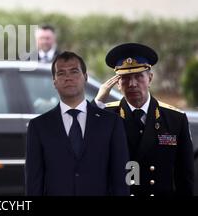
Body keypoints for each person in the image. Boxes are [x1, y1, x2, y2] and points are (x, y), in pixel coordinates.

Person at [95, 42, 194, 196]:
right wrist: (97, 102)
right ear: (118, 84)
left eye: (139, 76)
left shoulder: (175, 119)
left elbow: (185, 176)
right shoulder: (106, 116)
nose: (132, 84)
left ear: (150, 78)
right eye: (125, 78)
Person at [25, 51, 129, 196]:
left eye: (74, 71)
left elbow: (120, 177)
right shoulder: (39, 126)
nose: (68, 78)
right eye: (61, 73)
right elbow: (33, 182)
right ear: (54, 81)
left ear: (85, 77)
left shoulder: (111, 123)